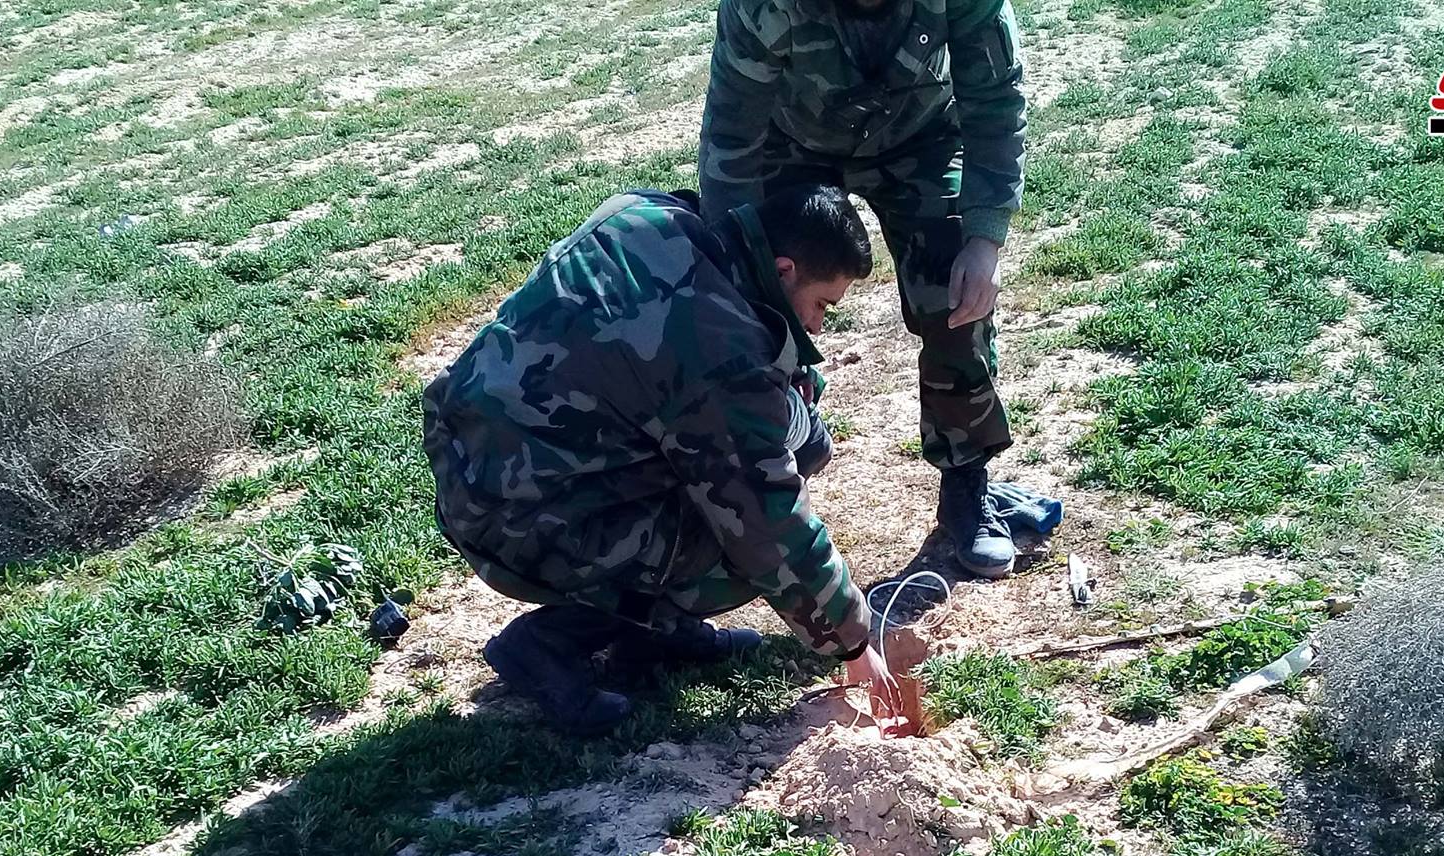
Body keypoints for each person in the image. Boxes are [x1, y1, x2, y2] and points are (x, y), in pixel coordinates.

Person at [422, 184, 903, 735]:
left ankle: (656, 632)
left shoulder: (653, 215)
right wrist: (852, 642)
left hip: (474, 463)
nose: (818, 326)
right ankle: (548, 645)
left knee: (761, 463)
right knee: (735, 546)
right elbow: (770, 527)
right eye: (822, 305)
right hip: (517, 518)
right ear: (785, 268)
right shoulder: (718, 353)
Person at [699, 0, 1027, 578]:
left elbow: (995, 100)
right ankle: (768, 478)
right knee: (765, 299)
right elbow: (731, 132)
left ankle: (966, 487)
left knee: (954, 298)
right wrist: (737, 267)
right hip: (793, 144)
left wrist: (984, 237)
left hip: (921, 138)